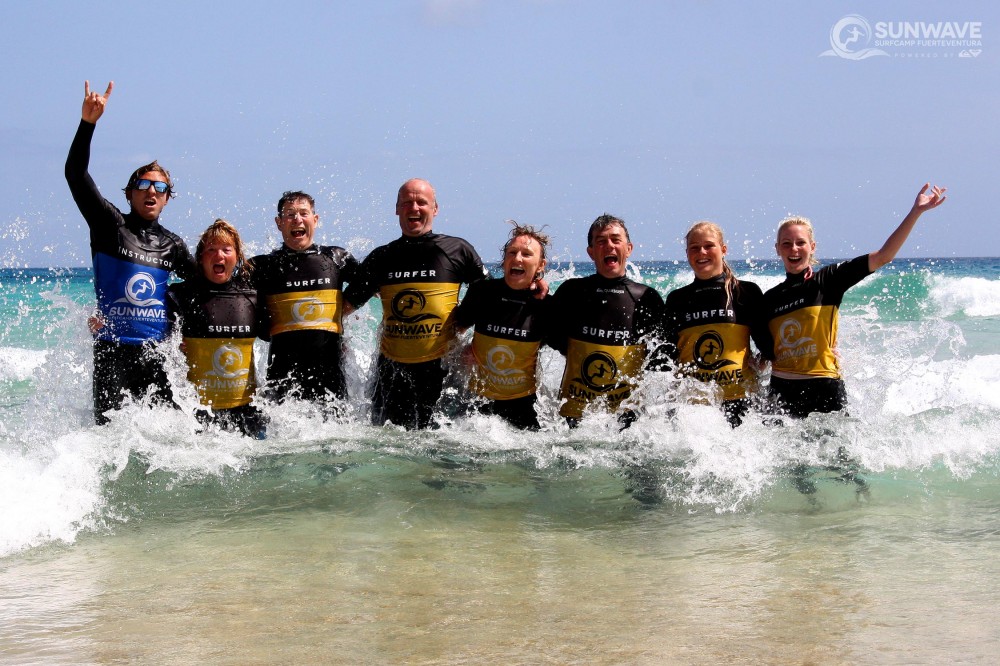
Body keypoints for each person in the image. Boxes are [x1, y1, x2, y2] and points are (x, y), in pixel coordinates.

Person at [65, 81, 195, 425]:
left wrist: (180, 330)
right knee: (109, 441)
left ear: (167, 198)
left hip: (158, 355)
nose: (151, 190)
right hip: (112, 352)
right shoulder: (110, 226)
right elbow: (75, 175)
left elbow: (201, 289)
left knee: (172, 439)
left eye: (160, 187)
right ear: (130, 194)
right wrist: (87, 123)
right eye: (143, 184)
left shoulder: (173, 244)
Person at [762, 183, 947, 418]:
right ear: (778, 249)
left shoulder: (828, 280)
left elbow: (883, 257)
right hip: (781, 390)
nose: (794, 249)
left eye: (800, 242)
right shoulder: (769, 299)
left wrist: (916, 212)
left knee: (841, 455)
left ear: (812, 247)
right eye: (786, 244)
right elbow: (766, 350)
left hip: (824, 386)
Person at [343, 178, 489, 429]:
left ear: (435, 208)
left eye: (422, 202)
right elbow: (343, 306)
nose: (415, 207)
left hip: (442, 371)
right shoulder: (381, 257)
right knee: (387, 450)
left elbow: (489, 294)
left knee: (444, 449)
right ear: (397, 208)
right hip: (391, 374)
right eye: (407, 202)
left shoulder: (457, 250)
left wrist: (467, 329)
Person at [654, 222, 772, 427]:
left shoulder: (744, 292)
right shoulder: (677, 299)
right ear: (687, 253)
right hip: (692, 409)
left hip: (741, 401)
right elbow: (665, 357)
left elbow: (769, 346)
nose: (702, 252)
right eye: (694, 247)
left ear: (723, 249)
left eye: (709, 246)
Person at [550, 214, 663, 428]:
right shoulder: (572, 292)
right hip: (573, 418)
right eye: (601, 241)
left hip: (628, 422)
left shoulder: (646, 298)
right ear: (591, 252)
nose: (608, 245)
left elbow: (663, 360)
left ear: (628, 248)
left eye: (615, 239)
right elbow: (541, 331)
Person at [251, 191, 359, 410]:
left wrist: (344, 309)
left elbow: (374, 286)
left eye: (303, 213)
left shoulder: (337, 259)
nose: (297, 219)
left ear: (315, 220)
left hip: (331, 380)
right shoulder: (262, 267)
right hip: (282, 381)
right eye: (289, 214)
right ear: (279, 223)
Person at [166, 220, 267, 438]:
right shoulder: (181, 295)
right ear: (200, 258)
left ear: (237, 256)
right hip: (197, 414)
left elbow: (277, 334)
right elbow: (154, 332)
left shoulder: (252, 297)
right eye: (211, 249)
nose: (218, 255)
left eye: (226, 249)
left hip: (247, 412)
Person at [453, 222, 554, 430]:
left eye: (526, 254)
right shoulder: (483, 292)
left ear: (541, 265)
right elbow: (454, 331)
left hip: (523, 406)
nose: (517, 258)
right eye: (512, 252)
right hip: (477, 404)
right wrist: (461, 352)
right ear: (505, 259)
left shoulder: (546, 306)